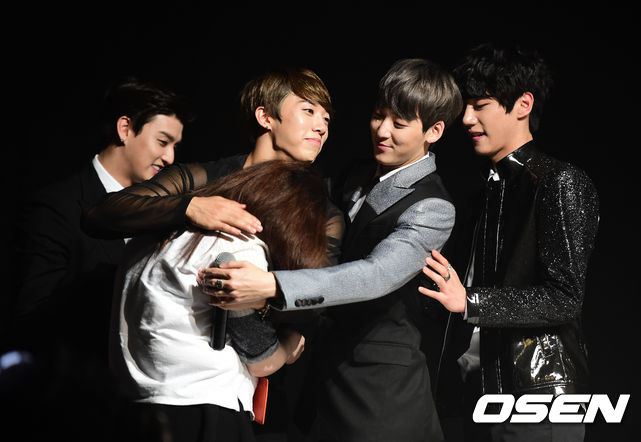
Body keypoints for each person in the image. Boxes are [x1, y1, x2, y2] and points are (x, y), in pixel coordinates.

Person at [200, 58, 463, 441]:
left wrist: (272, 286)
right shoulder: (355, 174)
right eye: (378, 115)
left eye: (399, 123)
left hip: (381, 390)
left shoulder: (433, 208)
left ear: (434, 131)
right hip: (319, 378)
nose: (382, 131)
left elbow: (374, 275)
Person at [82, 66, 341, 441]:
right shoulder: (205, 178)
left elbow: (317, 296)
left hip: (249, 393)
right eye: (309, 111)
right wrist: (190, 207)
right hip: (165, 389)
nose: (321, 127)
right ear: (265, 116)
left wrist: (279, 340)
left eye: (327, 119)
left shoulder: (323, 214)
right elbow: (101, 214)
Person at [418, 42, 600, 442]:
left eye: (480, 105)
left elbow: (564, 297)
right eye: (465, 106)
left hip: (539, 400)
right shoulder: (482, 196)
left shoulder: (559, 182)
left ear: (523, 105)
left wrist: (471, 301)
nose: (466, 118)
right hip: (475, 395)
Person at [4, 77, 194, 441]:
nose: (170, 158)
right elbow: (30, 317)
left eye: (175, 146)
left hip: (145, 410)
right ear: (125, 129)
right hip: (75, 411)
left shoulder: (163, 219)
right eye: (163, 141)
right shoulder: (56, 207)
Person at [112, 160, 332, 442]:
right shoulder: (237, 249)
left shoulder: (151, 237)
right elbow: (260, 359)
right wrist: (289, 346)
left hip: (135, 409)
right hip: (204, 408)